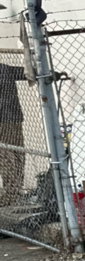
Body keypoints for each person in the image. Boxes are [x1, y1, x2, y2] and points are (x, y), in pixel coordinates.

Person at [0, 62, 27, 205]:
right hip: (15, 118)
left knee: (5, 155)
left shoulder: (5, 69)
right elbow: (26, 73)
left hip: (5, 119)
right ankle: (16, 190)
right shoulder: (5, 69)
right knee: (17, 153)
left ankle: (12, 193)